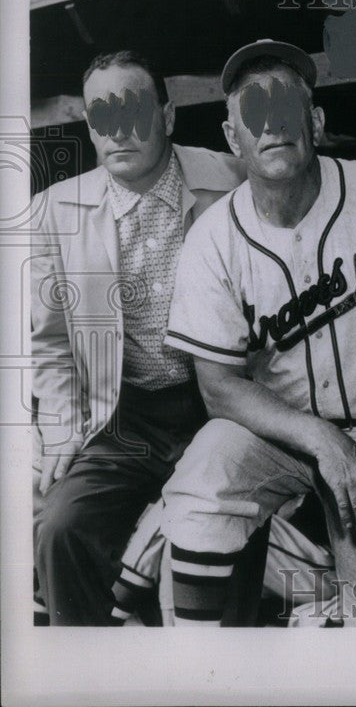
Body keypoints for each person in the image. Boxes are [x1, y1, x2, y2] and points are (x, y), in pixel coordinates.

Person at [158, 39, 356, 626]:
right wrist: (318, 437)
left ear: (315, 121)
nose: (273, 127)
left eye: (288, 108)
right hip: (287, 435)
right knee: (205, 472)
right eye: (254, 113)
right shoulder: (212, 238)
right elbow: (219, 387)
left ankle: (349, 627)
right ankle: (196, 670)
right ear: (231, 136)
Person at [32, 50, 244, 625]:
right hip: (121, 416)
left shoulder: (232, 180)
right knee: (60, 529)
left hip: (220, 406)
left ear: (169, 117)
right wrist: (58, 434)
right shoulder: (53, 211)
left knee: (227, 543)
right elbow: (50, 343)